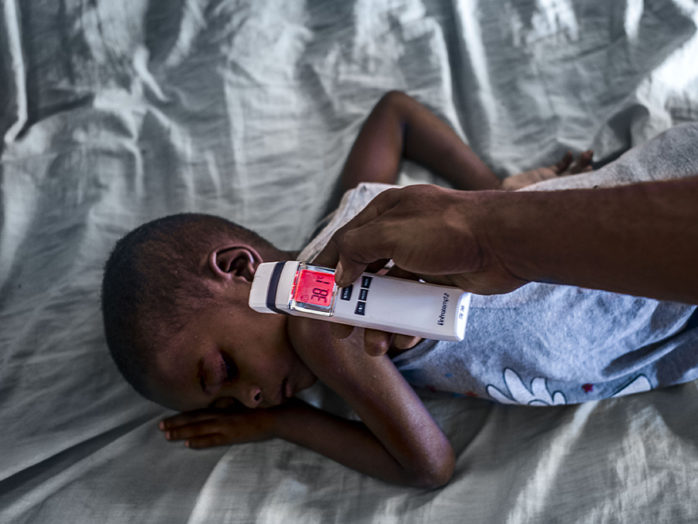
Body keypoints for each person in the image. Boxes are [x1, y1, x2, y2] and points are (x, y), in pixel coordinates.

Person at [101, 91, 698, 487]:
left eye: (225, 371)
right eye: (234, 407)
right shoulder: (349, 219)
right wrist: (489, 196)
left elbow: (427, 467)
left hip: (654, 284)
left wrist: (285, 425)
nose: (253, 401)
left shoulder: (318, 327)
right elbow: (396, 112)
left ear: (238, 268)